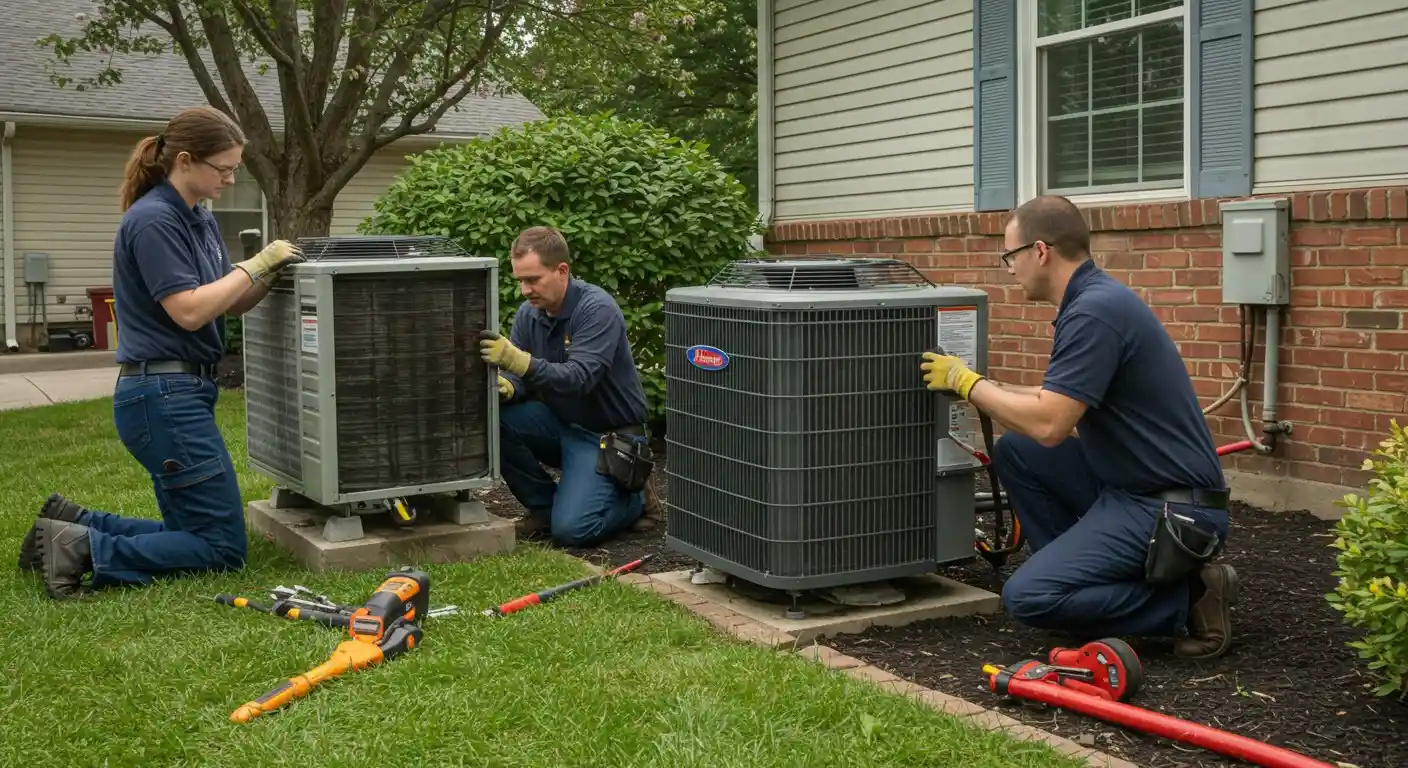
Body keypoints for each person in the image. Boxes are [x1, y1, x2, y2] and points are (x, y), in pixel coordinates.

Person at [920, 195, 1239, 660]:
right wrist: (993, 387)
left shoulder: (1093, 312)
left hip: (1170, 510)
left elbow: (1051, 424)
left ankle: (1187, 601)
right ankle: (1082, 596)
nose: (1009, 268)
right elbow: (1058, 406)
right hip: (1131, 487)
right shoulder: (1095, 301)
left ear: (1041, 251)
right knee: (1016, 453)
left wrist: (966, 382)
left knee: (1027, 597)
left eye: (1010, 255)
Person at [15, 105, 304, 599]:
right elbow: (190, 311)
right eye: (224, 168)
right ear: (186, 161)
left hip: (181, 392)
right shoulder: (153, 221)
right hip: (162, 395)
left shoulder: (200, 221)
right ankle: (81, 546)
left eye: (235, 167)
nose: (231, 179)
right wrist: (254, 263)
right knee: (221, 548)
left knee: (191, 536)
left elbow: (226, 304)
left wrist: (272, 274)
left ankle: (69, 522)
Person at [478, 226, 663, 548]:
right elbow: (523, 378)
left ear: (561, 270)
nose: (525, 290)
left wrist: (518, 362)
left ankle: (634, 498)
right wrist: (507, 385)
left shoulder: (596, 309)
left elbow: (580, 378)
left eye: (533, 279)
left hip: (608, 436)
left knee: (573, 532)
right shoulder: (529, 313)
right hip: (561, 424)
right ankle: (545, 508)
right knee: (495, 417)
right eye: (520, 280)